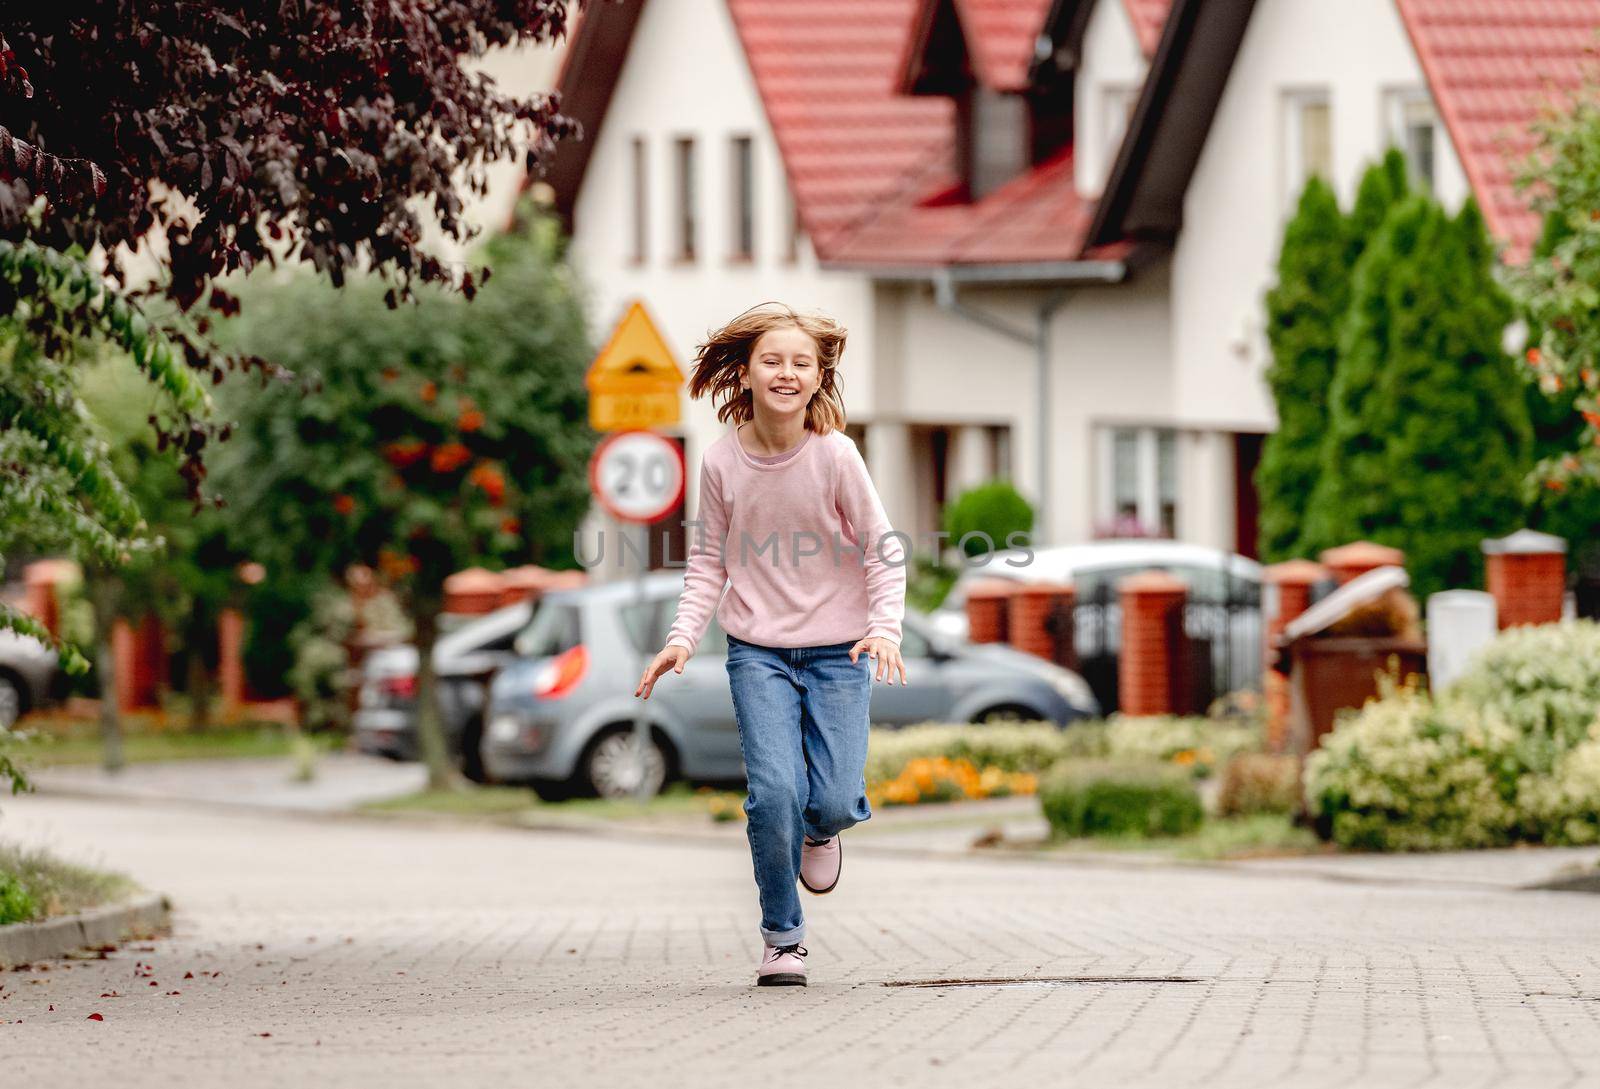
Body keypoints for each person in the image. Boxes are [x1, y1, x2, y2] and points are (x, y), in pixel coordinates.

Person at [633, 301, 908, 988]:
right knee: (773, 793)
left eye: (801, 363)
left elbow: (882, 551)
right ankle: (783, 936)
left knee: (837, 798)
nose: (787, 373)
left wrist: (885, 626)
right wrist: (680, 638)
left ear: (819, 377)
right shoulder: (724, 461)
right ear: (748, 373)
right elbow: (707, 563)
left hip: (840, 650)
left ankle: (824, 830)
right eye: (773, 361)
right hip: (756, 649)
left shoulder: (836, 455)